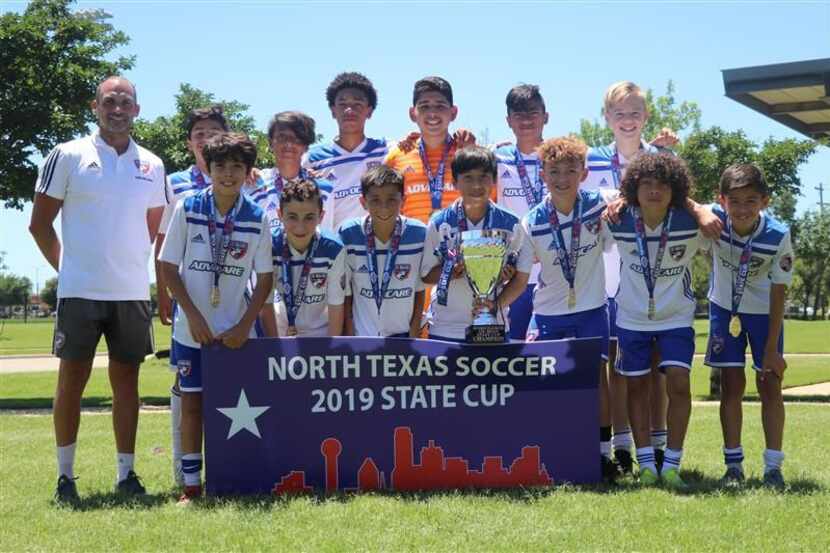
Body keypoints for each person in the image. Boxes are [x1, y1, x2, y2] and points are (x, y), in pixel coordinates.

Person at [29, 76, 167, 502]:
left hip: (129, 294)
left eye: (126, 102)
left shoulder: (153, 164)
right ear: (95, 107)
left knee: (127, 382)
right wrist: (68, 268)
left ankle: (127, 475)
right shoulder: (67, 155)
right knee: (72, 380)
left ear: (137, 110)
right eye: (110, 101)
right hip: (80, 293)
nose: (118, 109)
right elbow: (39, 225)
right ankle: (65, 478)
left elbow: (155, 232)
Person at [582, 80, 720, 474]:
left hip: (651, 281)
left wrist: (697, 209)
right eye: (619, 113)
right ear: (606, 117)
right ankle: (623, 448)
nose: (627, 120)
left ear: (646, 117)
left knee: (659, 369)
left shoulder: (659, 155)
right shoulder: (589, 159)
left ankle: (659, 449)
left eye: (635, 113)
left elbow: (676, 194)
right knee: (621, 370)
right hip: (605, 276)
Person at [158, 132, 274, 503]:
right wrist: (191, 315)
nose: (228, 174)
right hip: (191, 331)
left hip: (235, 333)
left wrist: (244, 325)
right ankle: (192, 486)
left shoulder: (256, 217)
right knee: (191, 405)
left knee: (241, 405)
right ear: (208, 168)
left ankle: (239, 478)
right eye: (220, 166)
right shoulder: (188, 207)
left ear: (247, 171)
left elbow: (265, 279)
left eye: (237, 166)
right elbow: (167, 266)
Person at [602, 152, 705, 490]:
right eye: (646, 183)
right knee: (636, 387)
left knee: (679, 384)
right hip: (631, 319)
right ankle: (646, 463)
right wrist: (615, 201)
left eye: (662, 184)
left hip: (676, 317)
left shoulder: (692, 221)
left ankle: (672, 463)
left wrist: (699, 208)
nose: (654, 191)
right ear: (633, 188)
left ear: (675, 190)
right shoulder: (617, 219)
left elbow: (724, 217)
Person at [518, 136, 617, 480]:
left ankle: (604, 455)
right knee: (547, 383)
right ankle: (549, 450)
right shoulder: (531, 221)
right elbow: (520, 268)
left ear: (584, 173)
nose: (562, 178)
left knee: (597, 380)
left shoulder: (600, 205)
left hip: (591, 309)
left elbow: (622, 226)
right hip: (547, 312)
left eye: (570, 171)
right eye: (554, 171)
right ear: (542, 174)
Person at [703, 164, 793, 488]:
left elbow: (780, 292)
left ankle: (773, 467)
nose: (742, 209)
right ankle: (733, 466)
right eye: (734, 201)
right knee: (731, 385)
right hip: (723, 310)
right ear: (721, 199)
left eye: (751, 201)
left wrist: (771, 348)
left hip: (764, 315)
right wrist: (699, 214)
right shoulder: (712, 219)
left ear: (764, 201)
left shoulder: (778, 235)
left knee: (770, 386)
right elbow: (687, 203)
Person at [153, 105, 228, 485]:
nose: (206, 138)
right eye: (199, 132)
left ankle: (228, 468)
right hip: (189, 302)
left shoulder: (242, 179)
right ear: (189, 142)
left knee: (229, 391)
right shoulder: (176, 183)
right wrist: (163, 293)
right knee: (186, 391)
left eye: (214, 131)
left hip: (230, 305)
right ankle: (183, 475)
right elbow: (163, 243)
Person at [420, 146, 532, 342]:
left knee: (491, 374)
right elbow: (426, 275)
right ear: (455, 182)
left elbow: (520, 279)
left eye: (483, 177)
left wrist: (496, 304)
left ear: (494, 180)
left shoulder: (511, 224)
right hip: (446, 326)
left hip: (492, 324)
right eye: (468, 177)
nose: (476, 184)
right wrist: (449, 271)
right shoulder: (439, 223)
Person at [339, 165, 427, 338]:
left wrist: (413, 334)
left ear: (404, 200)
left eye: (392, 199)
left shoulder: (419, 233)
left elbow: (419, 289)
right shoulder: (349, 233)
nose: (384, 207)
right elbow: (346, 293)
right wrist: (350, 337)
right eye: (375, 200)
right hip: (362, 337)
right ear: (363, 202)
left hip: (403, 337)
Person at [493, 84, 548, 341]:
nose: (526, 119)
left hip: (554, 274)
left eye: (533, 112)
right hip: (512, 276)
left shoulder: (563, 159)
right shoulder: (495, 158)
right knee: (512, 356)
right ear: (508, 121)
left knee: (550, 359)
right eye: (518, 114)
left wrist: (659, 148)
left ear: (546, 116)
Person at [260, 180, 347, 337]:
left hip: (320, 334)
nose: (300, 227)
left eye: (309, 217)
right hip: (279, 331)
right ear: (279, 215)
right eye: (292, 217)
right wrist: (273, 348)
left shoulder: (334, 248)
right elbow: (265, 304)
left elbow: (336, 306)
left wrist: (330, 352)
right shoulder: (268, 246)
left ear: (321, 217)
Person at [304, 72, 387, 229]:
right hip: (331, 249)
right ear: (333, 110)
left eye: (357, 104)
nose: (349, 110)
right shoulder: (312, 158)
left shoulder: (385, 151)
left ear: (369, 111)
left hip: (374, 249)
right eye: (342, 104)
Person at [386, 76, 466, 225]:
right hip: (412, 246)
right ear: (412, 113)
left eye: (440, 106)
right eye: (424, 106)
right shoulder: (396, 157)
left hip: (459, 246)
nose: (432, 114)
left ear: (453, 113)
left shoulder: (467, 153)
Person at [251, 111, 334, 231]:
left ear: (306, 146)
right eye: (282, 137)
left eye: (296, 138)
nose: (289, 144)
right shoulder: (254, 183)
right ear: (270, 142)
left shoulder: (323, 188)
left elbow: (325, 236)